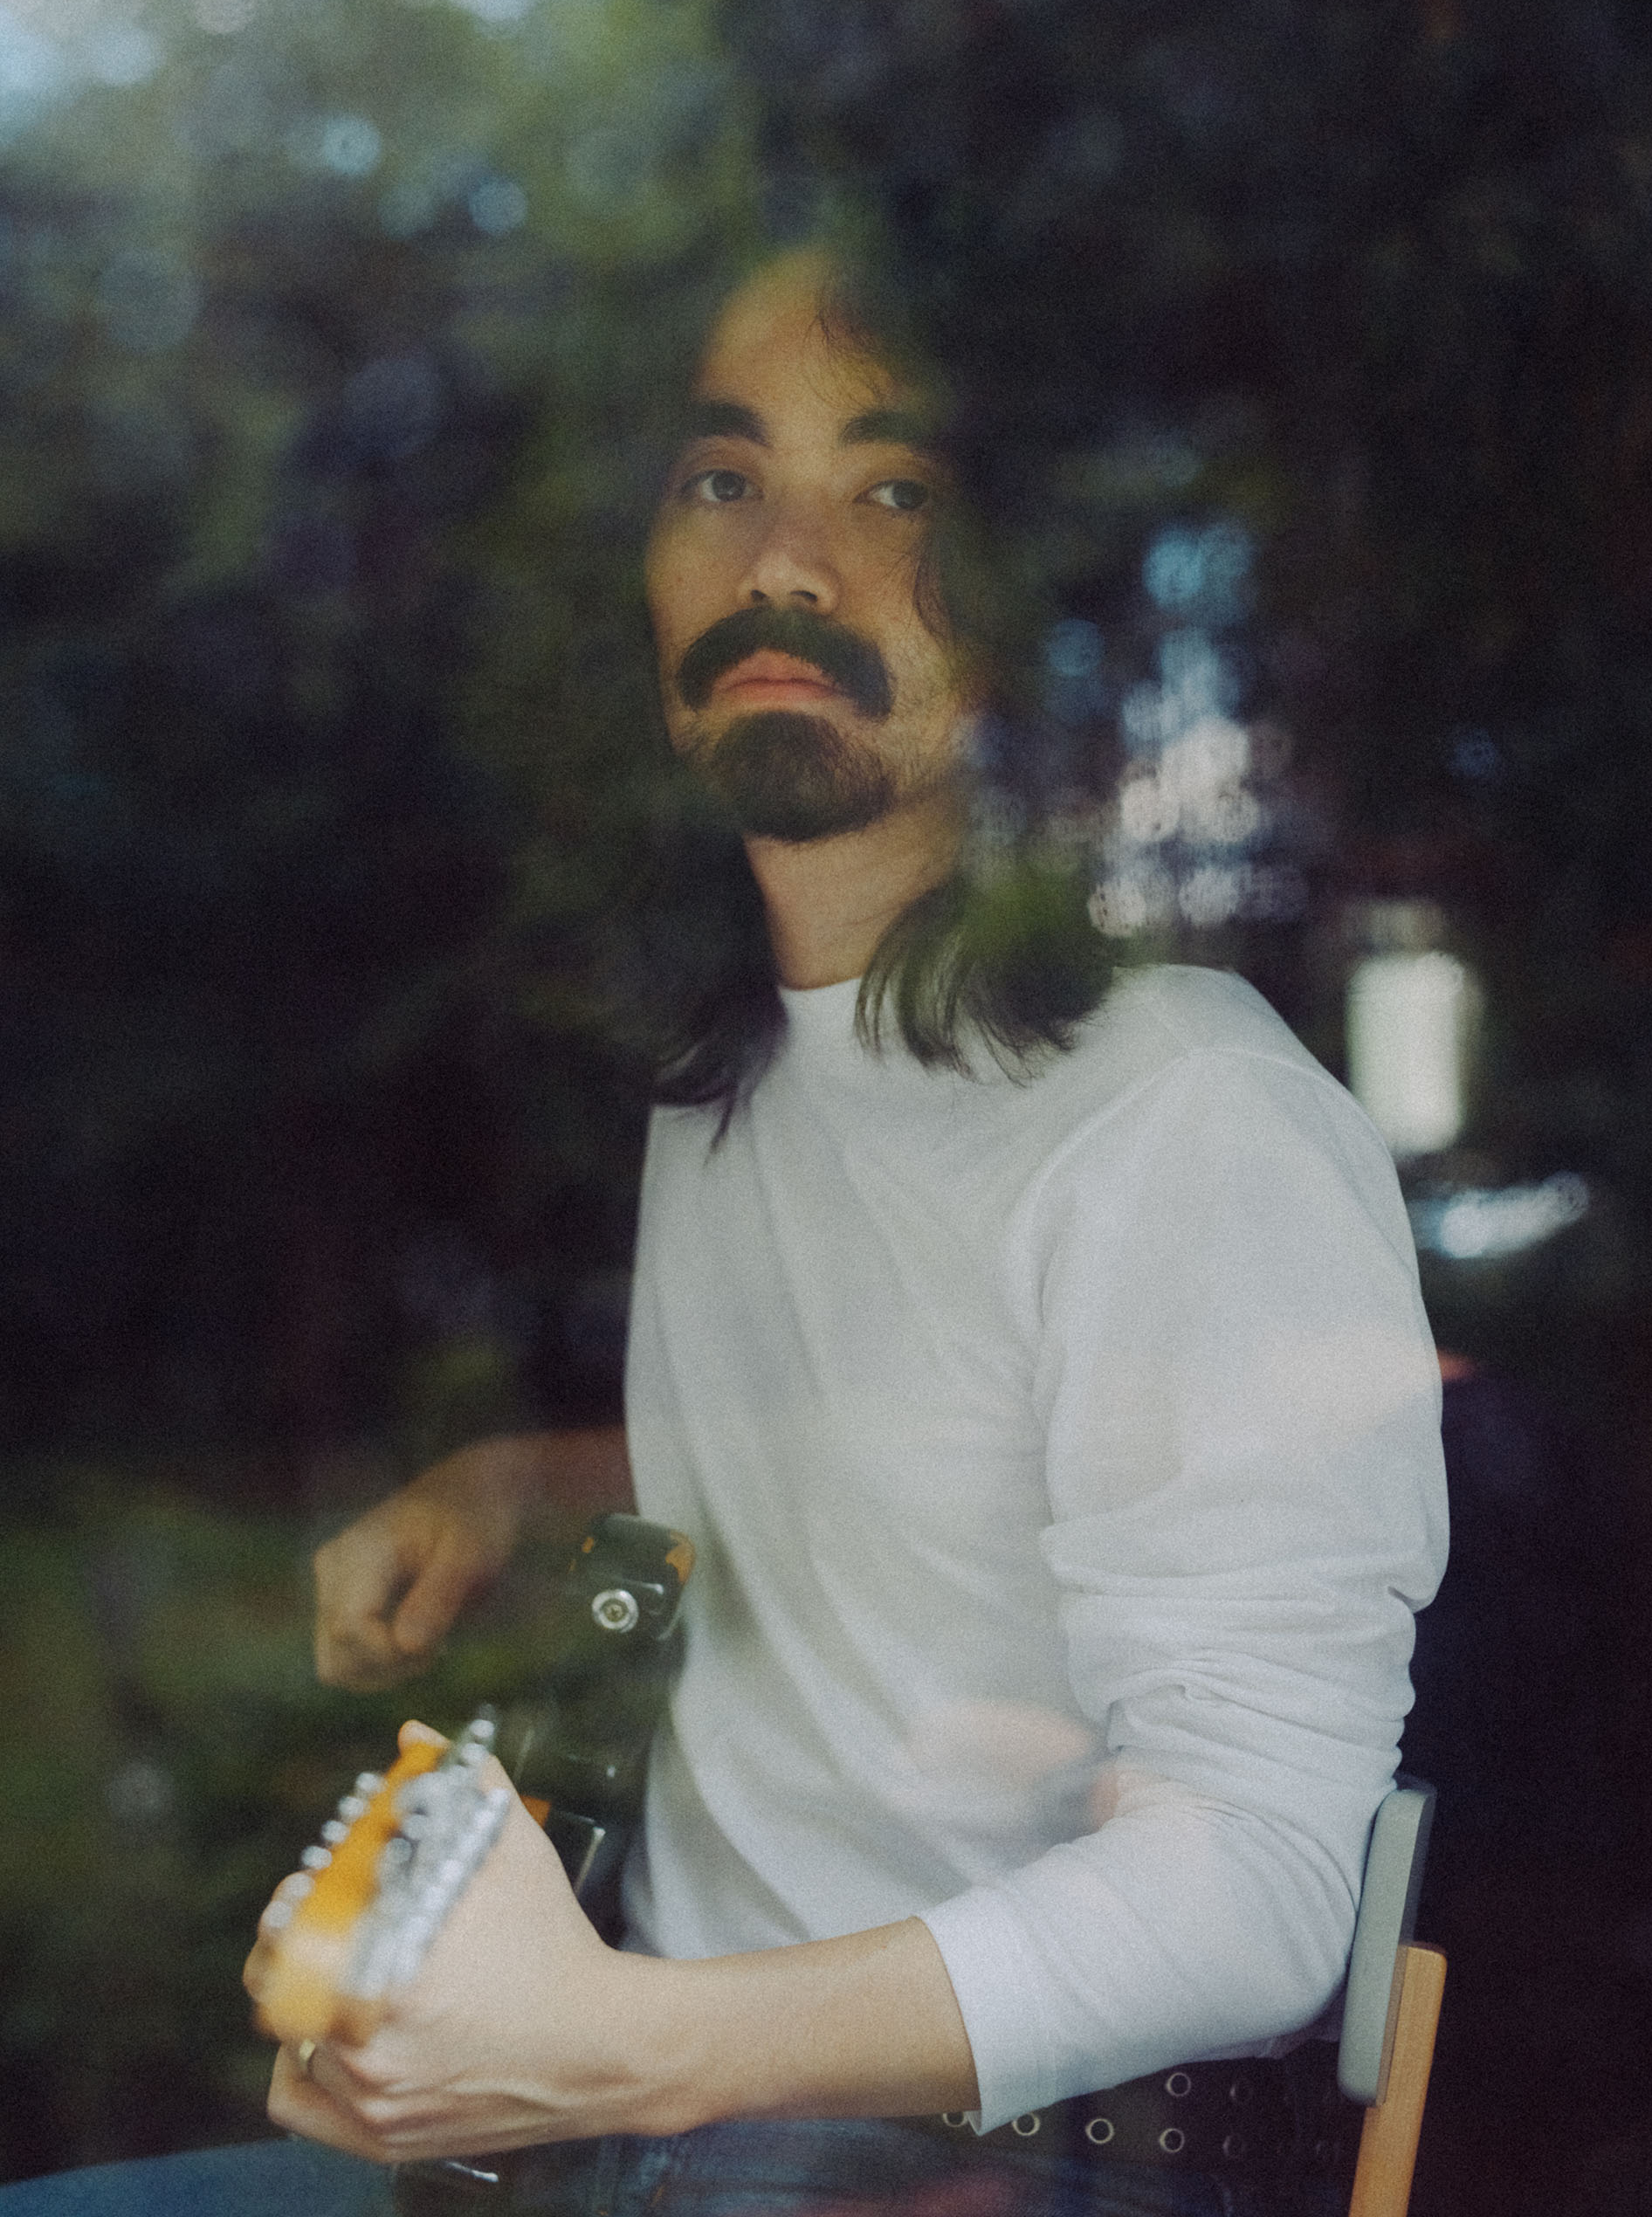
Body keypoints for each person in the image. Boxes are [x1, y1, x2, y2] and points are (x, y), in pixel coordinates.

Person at [1, 250, 1445, 2217]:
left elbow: (1266, 1881)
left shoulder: (1187, 1116)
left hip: (974, 2164)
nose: (789, 561)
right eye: (722, 480)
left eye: (893, 486)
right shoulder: (730, 1082)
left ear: (1012, 602)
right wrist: (523, 1481)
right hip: (634, 2122)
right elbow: (939, 1462)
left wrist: (622, 2042)